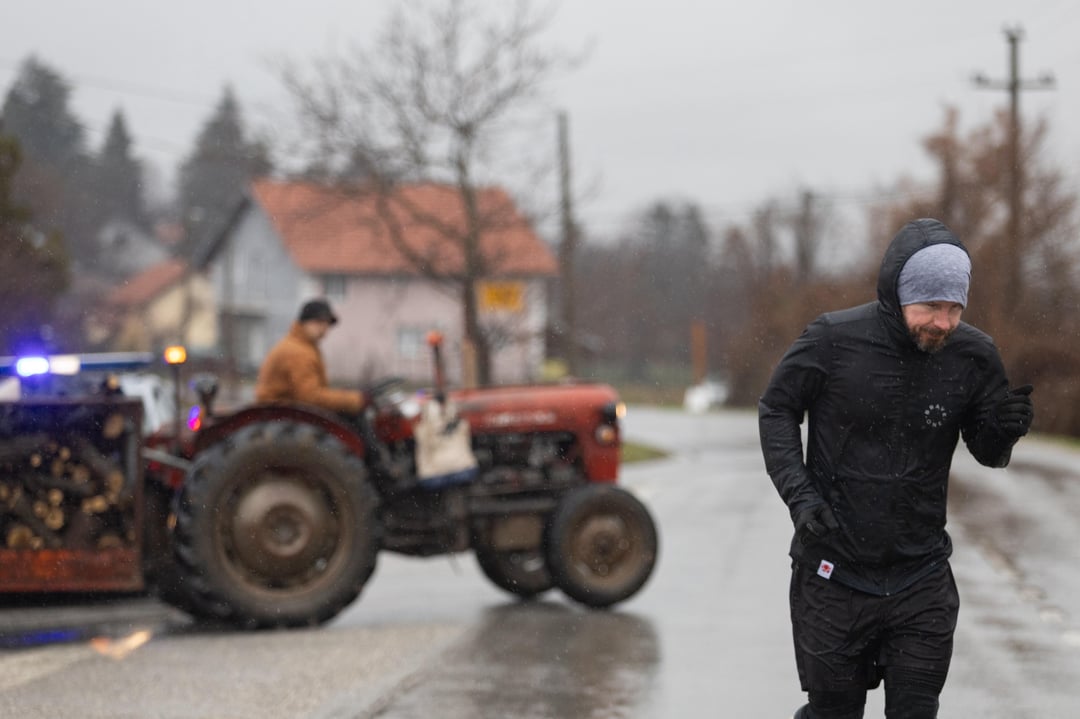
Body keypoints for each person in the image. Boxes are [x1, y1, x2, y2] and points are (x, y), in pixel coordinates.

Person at [758, 218, 1034, 719]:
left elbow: (988, 451)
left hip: (920, 576)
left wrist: (1004, 430)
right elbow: (776, 408)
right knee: (833, 712)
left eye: (954, 308)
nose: (943, 323)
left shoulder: (973, 355)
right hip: (834, 571)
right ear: (898, 294)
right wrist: (801, 497)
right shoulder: (832, 340)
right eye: (930, 306)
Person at [254, 298, 365, 413]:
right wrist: (354, 400)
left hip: (278, 412)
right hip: (280, 414)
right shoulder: (297, 352)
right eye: (319, 322)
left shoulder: (301, 346)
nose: (324, 328)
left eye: (327, 324)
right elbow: (310, 397)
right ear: (304, 322)